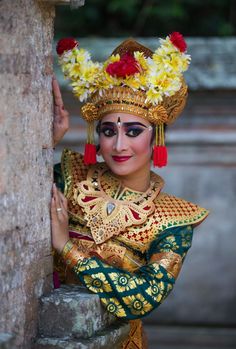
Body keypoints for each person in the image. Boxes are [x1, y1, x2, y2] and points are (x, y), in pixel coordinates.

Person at [51, 33, 209, 348]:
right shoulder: (69, 177)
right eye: (108, 131)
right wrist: (46, 145)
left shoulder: (173, 220)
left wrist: (66, 248)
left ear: (157, 135)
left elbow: (144, 297)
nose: (119, 145)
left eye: (133, 131)